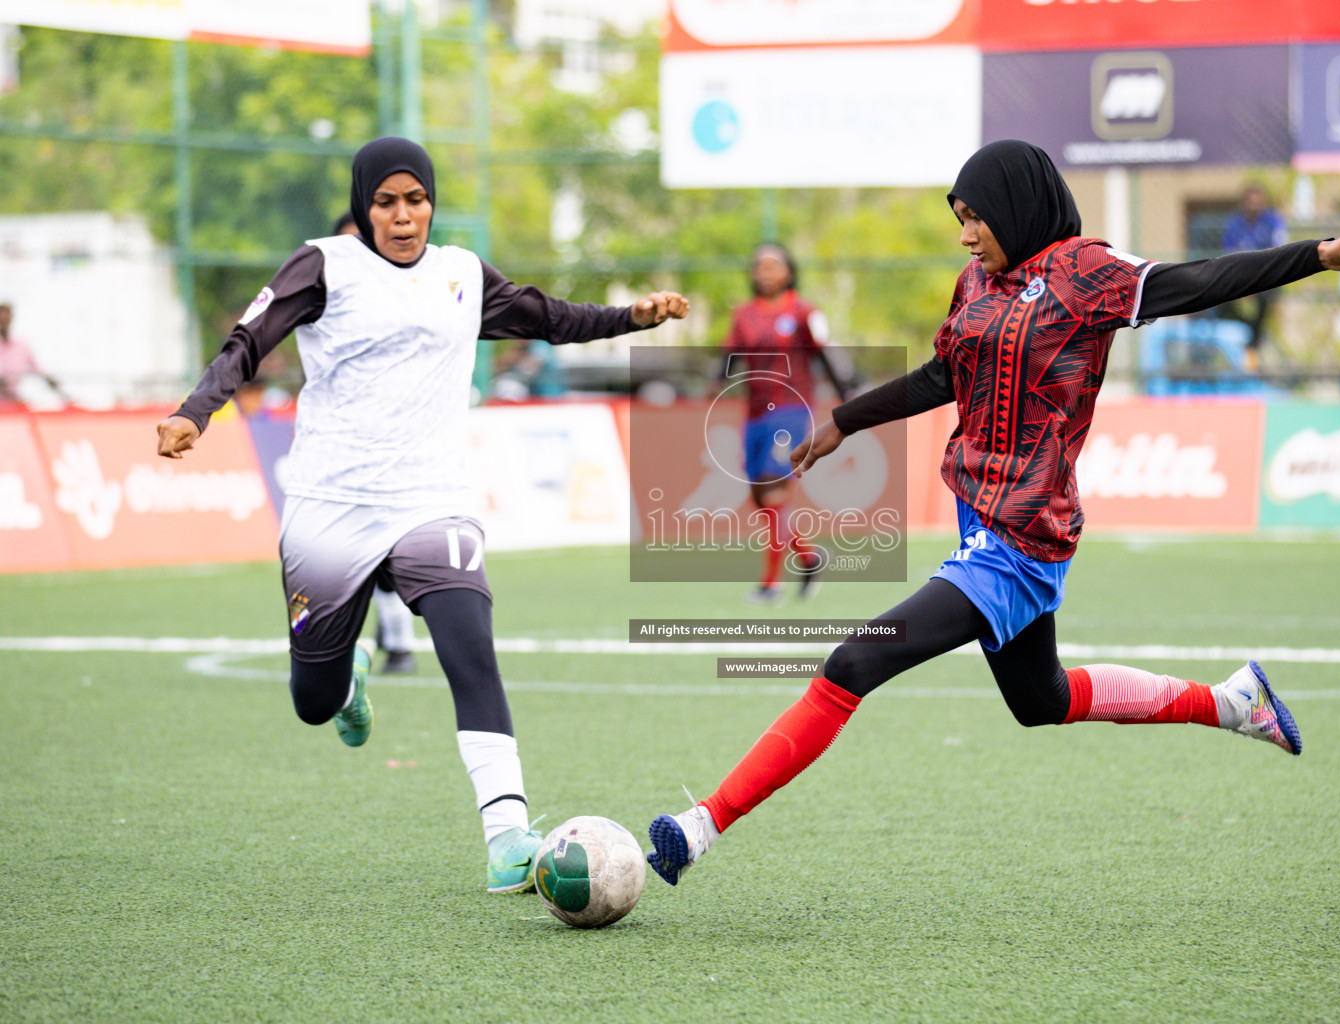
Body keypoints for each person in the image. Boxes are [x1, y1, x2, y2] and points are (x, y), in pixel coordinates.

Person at [644, 139, 1340, 887]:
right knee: (1038, 700)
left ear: (1014, 208)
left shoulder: (1089, 273)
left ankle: (702, 826)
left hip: (1021, 535)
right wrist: (845, 420)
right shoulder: (975, 283)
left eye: (974, 215)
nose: (965, 233)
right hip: (973, 513)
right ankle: (1231, 703)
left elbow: (1204, 278)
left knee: (854, 662)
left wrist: (1319, 255)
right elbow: (939, 375)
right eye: (959, 216)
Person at [156, 137, 688, 893]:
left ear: (431, 203)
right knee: (313, 702)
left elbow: (549, 316)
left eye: (416, 199)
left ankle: (508, 837)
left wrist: (632, 316)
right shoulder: (324, 266)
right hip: (328, 508)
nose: (403, 216)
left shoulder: (460, 275)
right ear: (364, 207)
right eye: (386, 202)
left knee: (470, 647)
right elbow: (249, 342)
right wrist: (195, 412)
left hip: (431, 498)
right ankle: (347, 685)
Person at [722, 242, 851, 603]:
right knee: (760, 497)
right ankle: (809, 557)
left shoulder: (803, 311)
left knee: (774, 490)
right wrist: (717, 376)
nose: (764, 271)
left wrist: (848, 396)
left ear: (788, 271)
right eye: (758, 265)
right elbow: (728, 357)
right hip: (755, 415)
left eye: (772, 264)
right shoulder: (743, 314)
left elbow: (826, 354)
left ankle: (770, 583)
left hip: (792, 409)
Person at [330, 209, 420, 672]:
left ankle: (399, 642)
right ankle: (340, 651)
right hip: (338, 446)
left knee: (391, 548)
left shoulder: (411, 296)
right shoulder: (321, 296)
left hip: (397, 444)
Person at [1217, 184, 1287, 365]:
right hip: (1240, 273)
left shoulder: (1272, 221)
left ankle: (1254, 344)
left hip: (1267, 274)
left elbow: (1278, 251)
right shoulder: (1234, 223)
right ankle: (1250, 332)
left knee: (1265, 299)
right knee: (1220, 300)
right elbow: (1228, 253)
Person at [0, 303, 68, 406]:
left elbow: (39, 372)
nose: (3, 322)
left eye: (6, 318)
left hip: (12, 405)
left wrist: (64, 394)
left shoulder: (21, 346)